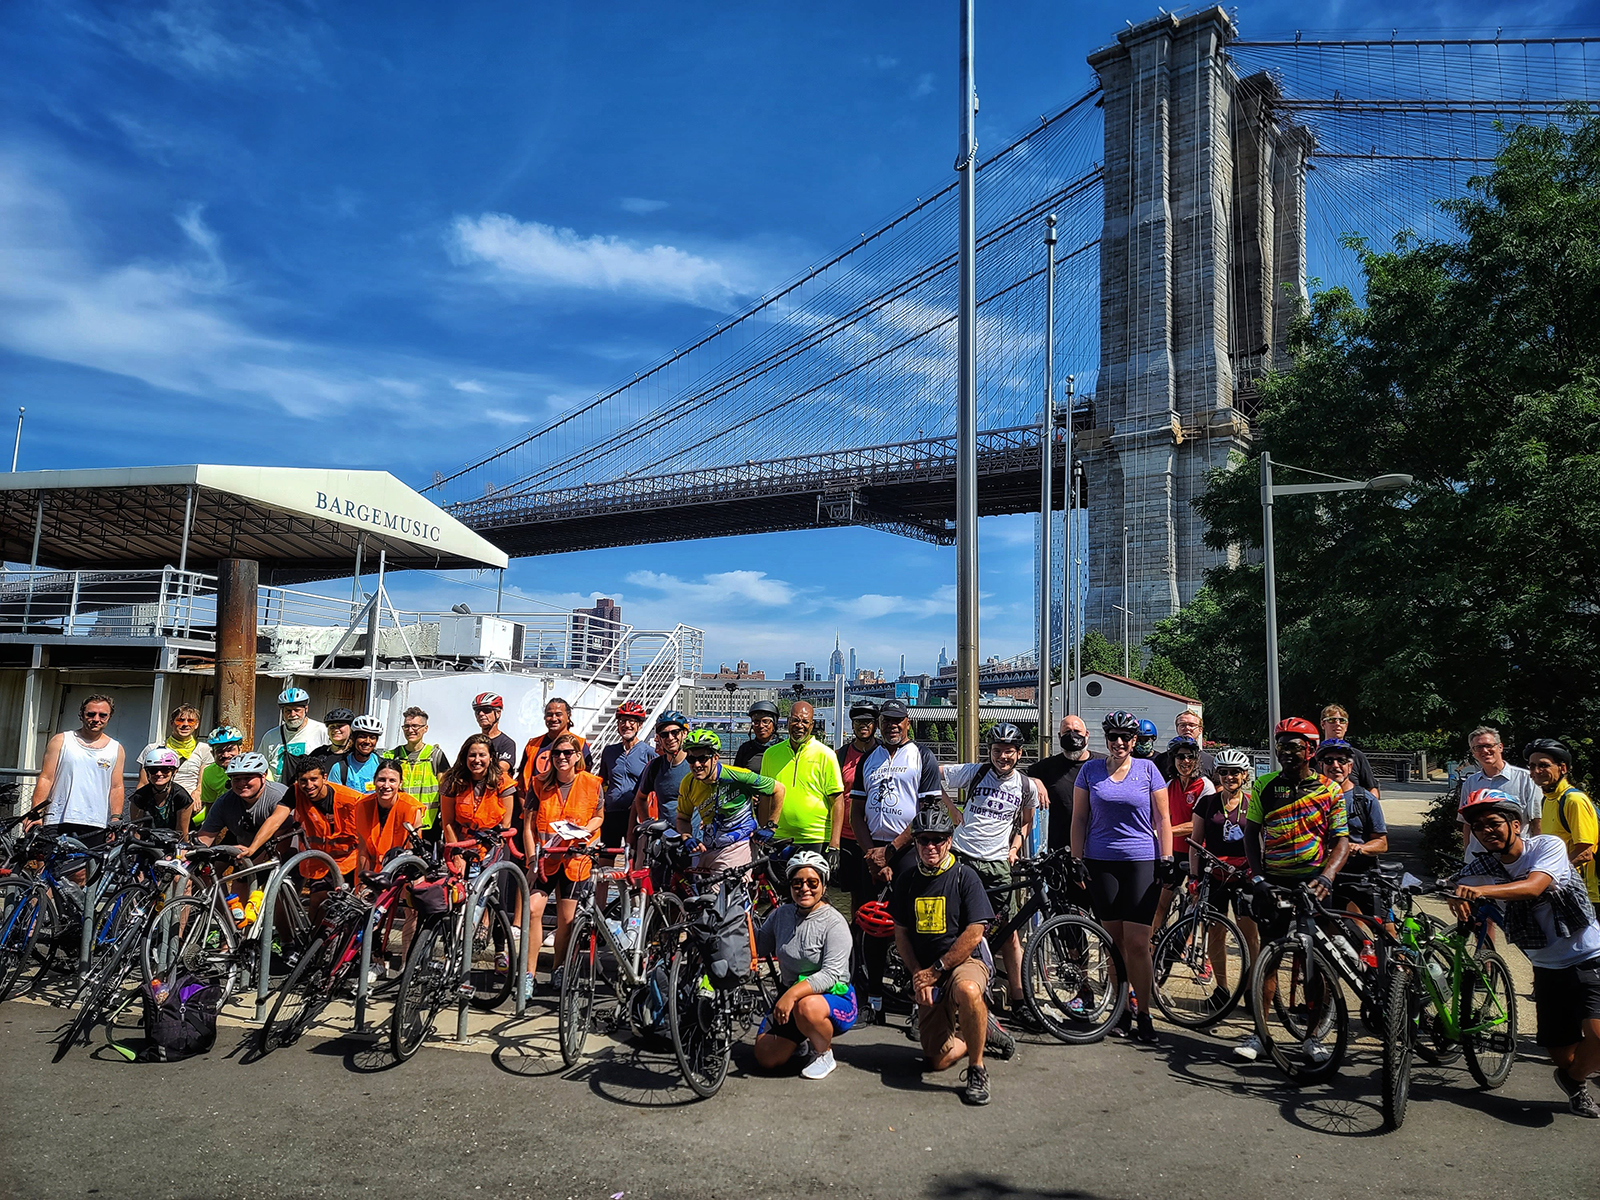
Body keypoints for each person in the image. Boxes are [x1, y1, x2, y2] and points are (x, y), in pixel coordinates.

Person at [1453, 788, 1600, 1118]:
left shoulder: (1547, 847)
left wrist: (1477, 891)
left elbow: (1534, 886)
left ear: (1516, 824)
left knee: (1598, 1037)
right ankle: (1574, 1079)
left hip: (1589, 954)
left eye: (1494, 823)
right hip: (1546, 967)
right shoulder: (1484, 866)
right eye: (1478, 827)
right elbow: (1453, 883)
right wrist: (1453, 894)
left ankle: (1572, 1079)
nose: (1486, 831)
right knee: (1563, 1052)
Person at [1234, 716, 1350, 1065]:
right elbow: (1251, 834)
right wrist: (1257, 879)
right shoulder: (1264, 786)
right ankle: (1260, 1034)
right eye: (1280, 746)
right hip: (1273, 884)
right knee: (1268, 961)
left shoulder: (1329, 791)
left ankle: (1312, 1038)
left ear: (1311, 750)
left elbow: (1341, 841)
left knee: (1313, 963)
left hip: (1313, 885)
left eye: (1293, 747)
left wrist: (1327, 877)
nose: (1285, 753)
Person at [892, 806, 1014, 1106]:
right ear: (916, 843)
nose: (930, 847)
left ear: (949, 840)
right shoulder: (906, 880)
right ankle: (982, 1031)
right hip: (928, 967)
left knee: (968, 990)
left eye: (938, 839)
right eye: (923, 840)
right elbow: (901, 935)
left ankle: (977, 1068)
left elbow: (975, 932)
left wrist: (938, 968)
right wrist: (919, 974)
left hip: (963, 961)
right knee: (937, 1060)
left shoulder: (964, 876)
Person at [1070, 709, 1172, 1044]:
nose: (1119, 743)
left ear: (1135, 740)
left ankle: (1144, 1012)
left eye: (1126, 737)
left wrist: (1166, 857)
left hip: (1141, 861)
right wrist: (1077, 858)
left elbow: (1162, 818)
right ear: (1105, 738)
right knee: (1114, 945)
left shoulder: (1148, 770)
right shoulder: (1090, 770)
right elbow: (1080, 819)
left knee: (1138, 943)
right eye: (1112, 737)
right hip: (1101, 863)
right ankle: (1120, 1010)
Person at [941, 722, 1043, 1024]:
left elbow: (1027, 821)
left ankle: (1019, 999)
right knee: (955, 929)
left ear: (1019, 753)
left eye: (1009, 752)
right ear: (990, 752)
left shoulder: (1025, 786)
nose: (1003, 757)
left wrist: (1015, 848)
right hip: (962, 856)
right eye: (997, 751)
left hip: (997, 863)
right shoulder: (975, 772)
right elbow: (934, 773)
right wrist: (951, 809)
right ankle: (951, 994)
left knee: (1009, 934)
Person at [849, 698, 944, 1021]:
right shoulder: (868, 760)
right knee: (872, 927)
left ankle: (920, 1006)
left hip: (908, 852)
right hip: (873, 850)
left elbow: (927, 813)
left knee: (917, 929)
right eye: (886, 720)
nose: (891, 725)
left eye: (897, 720)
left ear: (907, 722)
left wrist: (891, 852)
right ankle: (873, 1001)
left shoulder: (922, 757)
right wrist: (871, 854)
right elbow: (856, 814)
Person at [753, 851, 858, 1080]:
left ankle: (824, 1053)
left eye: (812, 882)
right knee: (766, 1058)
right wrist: (744, 920)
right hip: (791, 998)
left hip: (832, 998)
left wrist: (790, 995)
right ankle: (800, 1039)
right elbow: (760, 947)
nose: (804, 889)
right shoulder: (781, 915)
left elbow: (831, 975)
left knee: (807, 1007)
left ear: (823, 884)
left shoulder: (835, 923)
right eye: (797, 883)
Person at [523, 731, 604, 998]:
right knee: (534, 910)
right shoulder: (539, 784)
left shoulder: (591, 783)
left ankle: (558, 968)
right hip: (546, 859)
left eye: (567, 753)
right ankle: (529, 974)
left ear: (577, 756)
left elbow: (599, 816)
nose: (561, 758)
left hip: (575, 860)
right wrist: (532, 860)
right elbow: (528, 826)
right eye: (557, 753)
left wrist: (584, 830)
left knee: (567, 920)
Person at [1189, 747, 1256, 1004]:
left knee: (1250, 934)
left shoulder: (1252, 803)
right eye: (1224, 772)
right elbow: (1196, 842)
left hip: (1244, 877)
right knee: (1216, 933)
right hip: (1215, 876)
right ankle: (1222, 989)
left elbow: (1261, 842)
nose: (1230, 777)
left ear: (1244, 775)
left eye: (1235, 773)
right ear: (1218, 774)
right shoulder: (1206, 803)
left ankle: (1251, 988)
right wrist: (1193, 878)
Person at [674, 729, 784, 874]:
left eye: (702, 758)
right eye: (691, 759)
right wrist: (686, 836)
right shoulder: (688, 783)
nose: (696, 764)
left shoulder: (738, 776)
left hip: (739, 845)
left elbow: (779, 789)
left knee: (727, 893)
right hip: (709, 847)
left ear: (715, 758)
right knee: (700, 894)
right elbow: (683, 818)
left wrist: (770, 826)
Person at [29, 694, 125, 843]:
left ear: (109, 717)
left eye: (102, 715)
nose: (96, 719)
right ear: (81, 715)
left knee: (87, 866)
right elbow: (46, 778)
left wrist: (116, 818)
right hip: (57, 819)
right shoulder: (61, 740)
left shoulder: (116, 748)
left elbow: (116, 787)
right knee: (47, 865)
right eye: (91, 714)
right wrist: (35, 813)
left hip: (94, 823)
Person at [762, 701, 845, 863]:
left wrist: (835, 845)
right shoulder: (770, 754)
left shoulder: (826, 755)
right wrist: (764, 831)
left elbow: (837, 801)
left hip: (815, 839)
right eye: (795, 720)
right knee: (779, 888)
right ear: (787, 722)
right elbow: (765, 797)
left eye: (805, 721)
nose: (799, 725)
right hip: (778, 839)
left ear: (812, 725)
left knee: (810, 889)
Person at [1317, 738, 1388, 920]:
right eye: (1328, 761)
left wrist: (1359, 847)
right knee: (1330, 931)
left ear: (1350, 766)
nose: (1335, 765)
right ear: (1320, 766)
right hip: (1327, 876)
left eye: (1341, 760)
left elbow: (1382, 843)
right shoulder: (1312, 800)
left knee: (1385, 930)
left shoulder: (1364, 799)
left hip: (1361, 876)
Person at [1527, 739, 1599, 918]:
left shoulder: (1574, 800)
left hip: (1589, 893)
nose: (1536, 771)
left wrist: (1548, 875)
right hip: (1567, 888)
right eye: (1532, 766)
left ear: (1563, 768)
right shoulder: (1548, 800)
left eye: (1543, 765)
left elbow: (1585, 852)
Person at [1153, 735, 1212, 935]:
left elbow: (1197, 825)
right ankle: (1153, 948)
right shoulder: (1170, 785)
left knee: (1198, 904)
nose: (1185, 761)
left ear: (1196, 759)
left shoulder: (1205, 786)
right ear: (1173, 760)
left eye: (1189, 757)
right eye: (1180, 757)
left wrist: (1164, 831)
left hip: (1198, 852)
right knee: (1161, 903)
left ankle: (1197, 952)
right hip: (1175, 852)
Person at [1027, 713, 1105, 851]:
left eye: (1077, 731)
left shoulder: (1103, 764)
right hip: (1059, 850)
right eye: (1067, 732)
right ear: (1059, 736)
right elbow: (1017, 776)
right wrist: (1035, 781)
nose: (1072, 736)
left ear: (1087, 735)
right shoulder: (1047, 767)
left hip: (1098, 847)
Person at [1460, 724, 1542, 854]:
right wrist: (1467, 853)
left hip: (1516, 858)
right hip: (1478, 859)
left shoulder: (1527, 780)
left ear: (1500, 747)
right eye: (1478, 747)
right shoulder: (1470, 783)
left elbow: (1537, 822)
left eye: (1489, 745)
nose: (1485, 750)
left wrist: (1538, 856)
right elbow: (1467, 824)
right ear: (1473, 753)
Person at [289, 757, 363, 900]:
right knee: (318, 903)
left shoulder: (352, 800)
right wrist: (254, 847)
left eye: (313, 779)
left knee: (351, 907)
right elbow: (276, 818)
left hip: (350, 863)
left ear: (325, 777)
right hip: (320, 863)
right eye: (303, 780)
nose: (309, 785)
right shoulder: (296, 793)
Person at [197, 752, 295, 857]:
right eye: (237, 779)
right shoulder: (224, 802)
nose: (242, 783)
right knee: (216, 866)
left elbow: (281, 843)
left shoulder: (278, 797)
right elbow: (204, 838)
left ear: (263, 776)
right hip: (244, 849)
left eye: (248, 778)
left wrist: (251, 868)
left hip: (281, 854)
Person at [835, 699, 880, 905]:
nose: (863, 726)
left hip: (876, 835)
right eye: (858, 721)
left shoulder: (884, 753)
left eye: (868, 721)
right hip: (847, 836)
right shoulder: (840, 755)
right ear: (852, 725)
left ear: (876, 725)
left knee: (880, 891)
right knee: (855, 896)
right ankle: (856, 935)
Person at [438, 733, 517, 850]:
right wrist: (456, 853)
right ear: (465, 757)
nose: (477, 760)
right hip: (461, 844)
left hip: (493, 845)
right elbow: (447, 823)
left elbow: (506, 825)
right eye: (472, 755)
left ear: (490, 757)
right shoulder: (452, 782)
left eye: (482, 755)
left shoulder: (503, 782)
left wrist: (492, 850)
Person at [383, 707, 452, 837]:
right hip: (398, 823)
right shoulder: (393, 756)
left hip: (428, 826)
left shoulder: (435, 755)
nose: (410, 730)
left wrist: (445, 819)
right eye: (406, 726)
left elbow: (446, 790)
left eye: (415, 726)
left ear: (425, 729)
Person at [598, 701, 655, 851]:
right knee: (606, 857)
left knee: (635, 860)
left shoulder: (649, 753)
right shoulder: (609, 752)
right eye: (622, 721)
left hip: (636, 815)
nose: (627, 725)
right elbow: (602, 781)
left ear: (640, 725)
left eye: (632, 721)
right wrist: (601, 805)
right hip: (611, 813)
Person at [517, 698, 593, 808]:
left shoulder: (580, 744)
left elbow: (586, 782)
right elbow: (521, 780)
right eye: (549, 714)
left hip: (567, 809)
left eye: (558, 714)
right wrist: (526, 808)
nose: (553, 719)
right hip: (535, 809)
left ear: (568, 716)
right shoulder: (532, 744)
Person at [353, 759, 424, 873]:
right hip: (371, 870)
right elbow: (363, 849)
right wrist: (364, 884)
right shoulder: (362, 806)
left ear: (400, 783)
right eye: (381, 780)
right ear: (374, 781)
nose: (386, 785)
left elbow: (413, 855)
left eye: (392, 781)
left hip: (400, 872)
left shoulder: (411, 809)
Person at [136, 704, 212, 797]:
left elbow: (202, 784)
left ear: (196, 725)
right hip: (158, 801)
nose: (185, 724)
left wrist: (197, 794)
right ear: (171, 723)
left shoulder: (204, 749)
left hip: (189, 802)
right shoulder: (152, 749)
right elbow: (143, 783)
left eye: (191, 721)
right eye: (180, 720)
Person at [257, 687, 329, 783]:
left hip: (309, 792)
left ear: (306, 709)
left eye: (297, 710)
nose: (292, 714)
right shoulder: (270, 736)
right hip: (279, 792)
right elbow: (260, 765)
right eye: (288, 711)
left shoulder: (322, 731)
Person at [634, 710, 690, 830]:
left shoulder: (695, 764)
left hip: (694, 840)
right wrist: (646, 822)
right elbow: (640, 798)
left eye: (675, 732)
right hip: (665, 840)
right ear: (659, 738)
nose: (670, 738)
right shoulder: (655, 766)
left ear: (684, 733)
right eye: (664, 734)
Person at [1318, 705, 1381, 798]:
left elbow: (1372, 788)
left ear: (1346, 726)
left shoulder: (1357, 756)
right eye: (1332, 720)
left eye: (1342, 720)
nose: (1338, 723)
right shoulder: (1311, 756)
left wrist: (1369, 807)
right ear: (1323, 724)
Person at [128, 748, 195, 834]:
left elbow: (182, 832)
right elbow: (136, 830)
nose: (159, 774)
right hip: (146, 843)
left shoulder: (182, 797)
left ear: (174, 772)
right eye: (153, 770)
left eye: (165, 769)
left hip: (173, 841)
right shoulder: (139, 797)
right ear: (147, 772)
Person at [1153, 707, 1219, 787]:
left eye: (1192, 725)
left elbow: (1218, 790)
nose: (1187, 728)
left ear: (1200, 730)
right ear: (1177, 729)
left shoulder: (1210, 761)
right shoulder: (1161, 760)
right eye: (1182, 725)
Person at [195, 725, 245, 828]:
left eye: (230, 749)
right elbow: (210, 806)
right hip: (230, 821)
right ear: (212, 753)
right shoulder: (209, 772)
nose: (226, 755)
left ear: (240, 749)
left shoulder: (255, 768)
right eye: (220, 751)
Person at [327, 714, 384, 793]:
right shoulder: (340, 769)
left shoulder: (383, 766)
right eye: (362, 736)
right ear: (354, 738)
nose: (367, 741)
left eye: (372, 737)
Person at [472, 693, 519, 775]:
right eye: (477, 711)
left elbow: (502, 768)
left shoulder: (507, 743)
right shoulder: (473, 742)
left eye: (487, 710)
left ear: (498, 713)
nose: (481, 714)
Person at [735, 700, 784, 771]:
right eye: (756, 722)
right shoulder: (745, 749)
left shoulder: (783, 747)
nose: (761, 726)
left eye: (765, 721)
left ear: (774, 724)